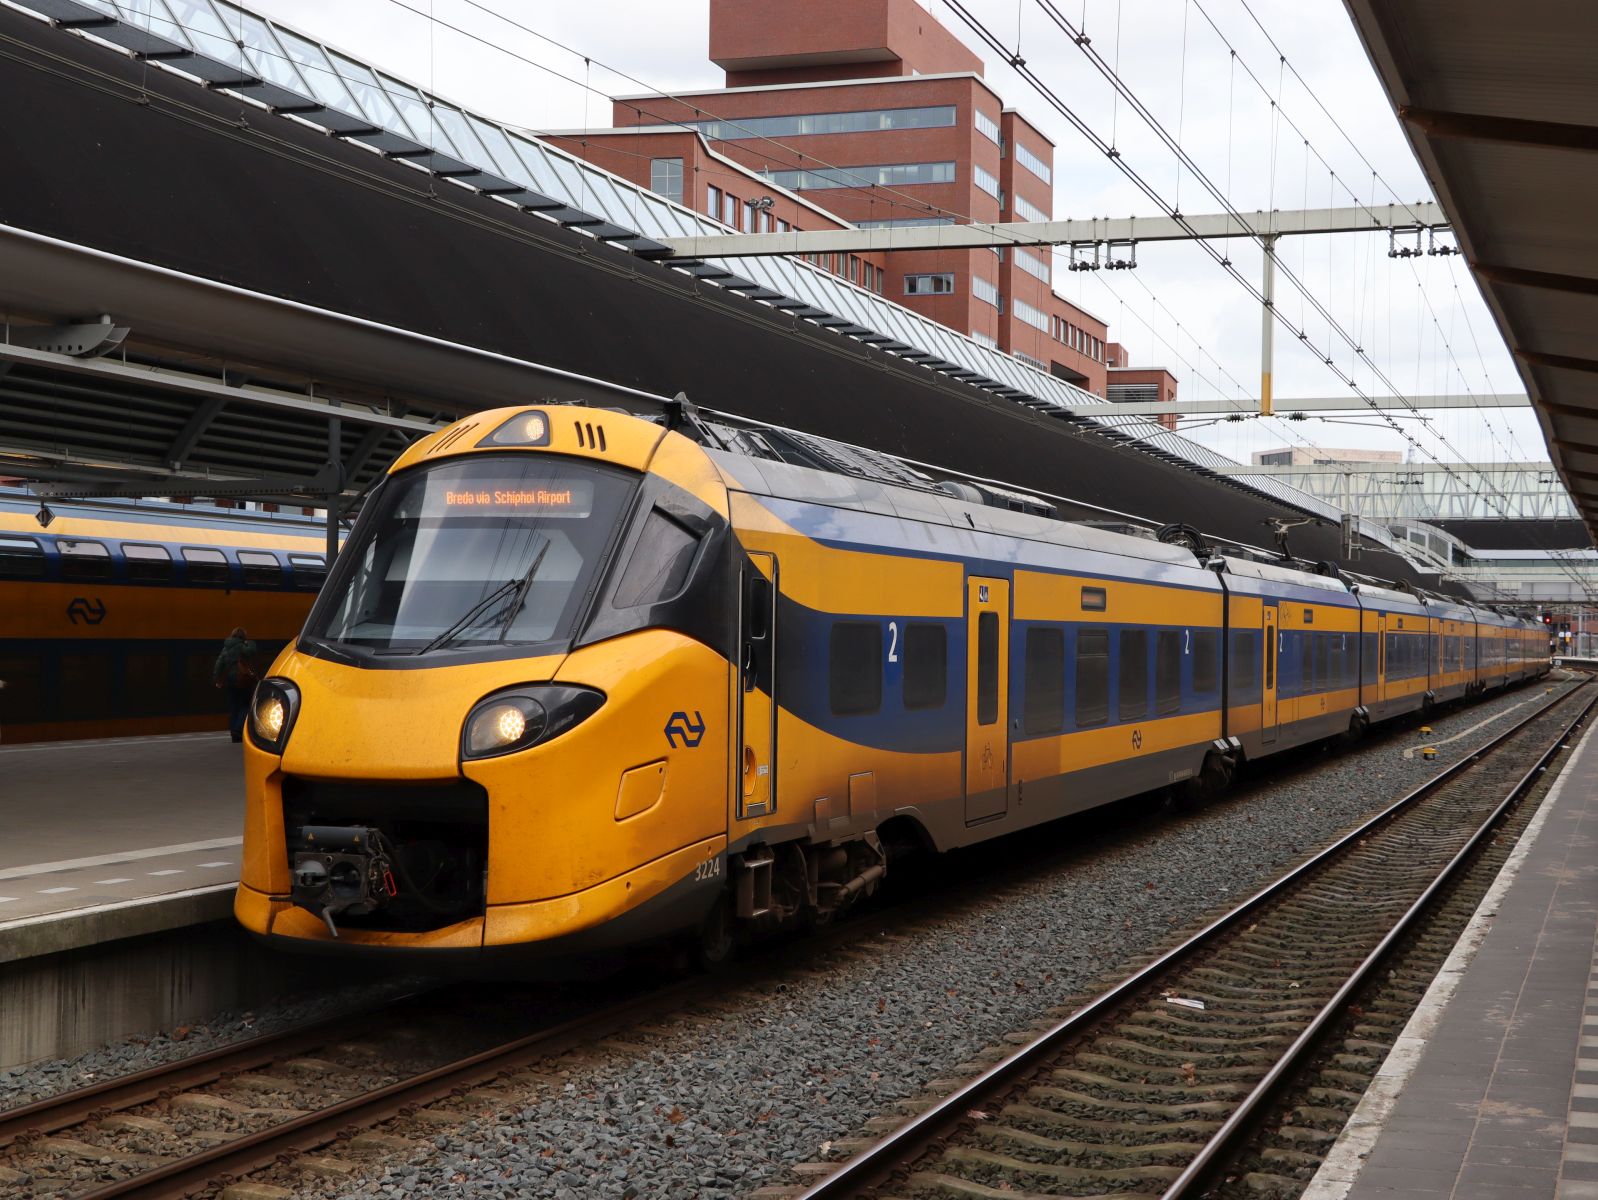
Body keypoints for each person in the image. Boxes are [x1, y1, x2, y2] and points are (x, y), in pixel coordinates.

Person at [213, 627, 259, 743]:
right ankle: (238, 729)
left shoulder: (226, 648)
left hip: (230, 681)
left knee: (234, 707)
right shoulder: (243, 646)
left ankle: (234, 734)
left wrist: (218, 679)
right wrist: (251, 643)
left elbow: (219, 664)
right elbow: (252, 651)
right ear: (243, 636)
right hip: (242, 679)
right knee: (245, 705)